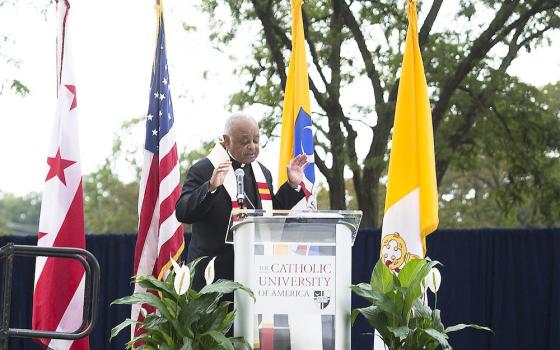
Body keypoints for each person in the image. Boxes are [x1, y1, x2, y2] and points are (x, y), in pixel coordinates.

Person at [175, 113, 308, 290]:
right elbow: (183, 212)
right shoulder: (204, 169)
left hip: (254, 271)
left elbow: (269, 216)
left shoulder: (263, 173)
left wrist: (292, 185)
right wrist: (211, 187)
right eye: (245, 141)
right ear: (226, 141)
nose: (252, 147)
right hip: (212, 275)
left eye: (256, 140)